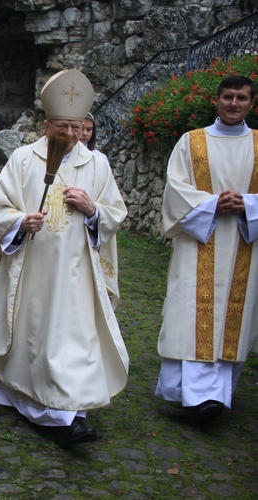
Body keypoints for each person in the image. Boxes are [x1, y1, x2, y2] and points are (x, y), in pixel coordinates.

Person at [0, 69, 128, 445]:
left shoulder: (98, 164)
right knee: (32, 337)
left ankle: (66, 412)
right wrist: (20, 223)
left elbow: (114, 213)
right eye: (62, 126)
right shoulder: (24, 160)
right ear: (46, 124)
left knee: (72, 338)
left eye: (77, 127)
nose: (71, 135)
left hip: (78, 272)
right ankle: (33, 402)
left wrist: (93, 211)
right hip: (31, 269)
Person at [155, 75, 258, 422]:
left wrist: (249, 205)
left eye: (241, 98)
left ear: (251, 103)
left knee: (233, 316)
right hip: (199, 242)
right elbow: (175, 190)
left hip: (245, 243)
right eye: (227, 97)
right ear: (215, 100)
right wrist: (213, 204)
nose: (233, 103)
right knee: (189, 313)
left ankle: (217, 395)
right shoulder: (192, 142)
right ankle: (192, 395)